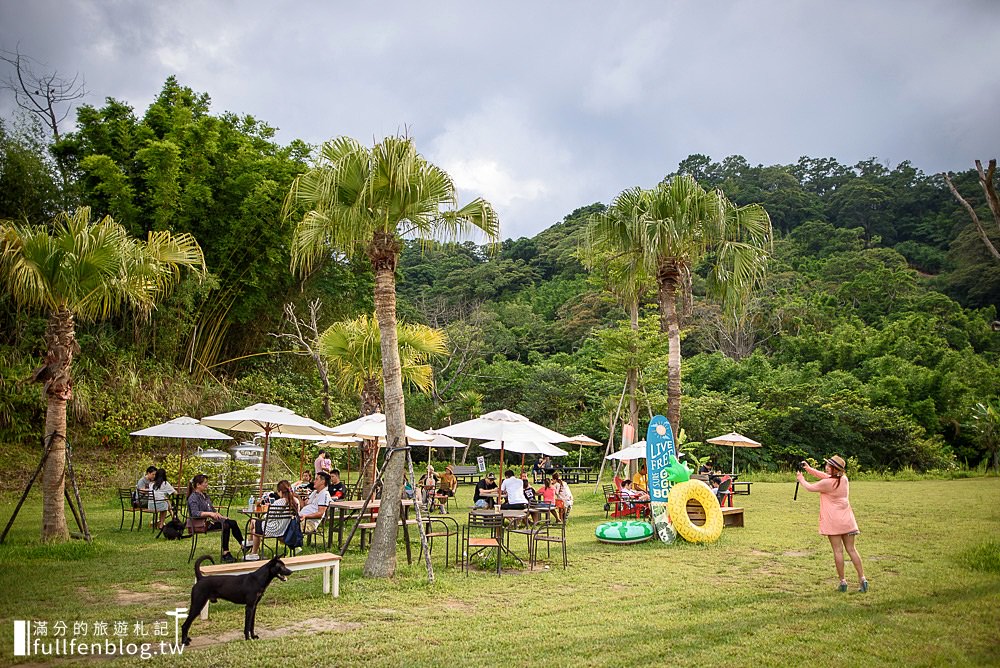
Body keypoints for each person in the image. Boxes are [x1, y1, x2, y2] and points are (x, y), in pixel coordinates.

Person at [796, 456, 868, 593]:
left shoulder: (827, 484)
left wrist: (801, 479)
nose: (826, 467)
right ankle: (862, 578)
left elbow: (810, 487)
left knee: (838, 551)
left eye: (829, 466)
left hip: (833, 521)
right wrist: (808, 469)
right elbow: (826, 476)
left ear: (835, 469)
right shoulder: (844, 479)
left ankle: (843, 582)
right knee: (852, 549)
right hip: (847, 520)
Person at [187, 474, 244, 563]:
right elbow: (194, 513)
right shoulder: (193, 497)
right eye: (205, 483)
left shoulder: (205, 496)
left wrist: (220, 516)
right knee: (225, 525)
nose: (207, 484)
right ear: (198, 485)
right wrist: (209, 514)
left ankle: (242, 545)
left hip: (210, 522)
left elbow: (212, 510)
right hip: (202, 524)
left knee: (232, 522)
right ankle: (226, 553)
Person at [245, 480, 300, 561]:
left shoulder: (279, 502)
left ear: (280, 492)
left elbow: (267, 517)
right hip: (286, 529)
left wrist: (264, 515)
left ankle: (251, 547)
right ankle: (252, 549)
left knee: (253, 521)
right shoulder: (295, 501)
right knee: (255, 527)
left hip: (274, 529)